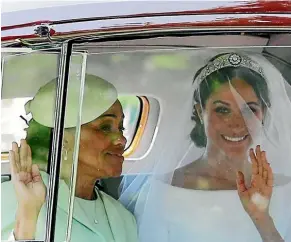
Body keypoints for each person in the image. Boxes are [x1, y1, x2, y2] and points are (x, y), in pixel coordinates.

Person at [125, 52, 291, 242]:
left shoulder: (285, 189)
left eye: (249, 109)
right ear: (199, 111)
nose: (237, 124)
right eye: (222, 109)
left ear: (263, 113)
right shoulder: (164, 191)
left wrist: (263, 220)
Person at [1, 74, 138, 242]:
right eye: (105, 128)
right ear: (63, 140)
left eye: (121, 128)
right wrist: (27, 216)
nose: (121, 139)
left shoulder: (124, 218)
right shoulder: (12, 200)